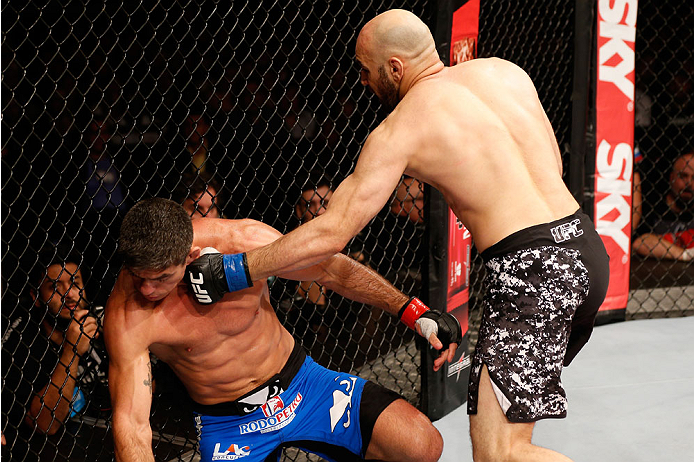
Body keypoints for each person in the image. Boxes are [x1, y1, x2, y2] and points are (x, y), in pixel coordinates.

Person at [218, 9, 611, 461]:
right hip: (583, 246)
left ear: (395, 67)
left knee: (501, 454)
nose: (362, 82)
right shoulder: (504, 72)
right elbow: (552, 170)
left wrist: (239, 267)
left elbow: (331, 231)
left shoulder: (399, 129)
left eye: (365, 70)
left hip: (532, 273)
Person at [104, 197, 460, 462]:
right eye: (140, 278)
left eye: (162, 278)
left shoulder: (244, 241)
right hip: (227, 422)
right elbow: (132, 425)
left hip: (302, 384)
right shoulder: (128, 312)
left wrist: (412, 311)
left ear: (191, 254)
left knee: (422, 444)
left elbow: (330, 270)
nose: (148, 290)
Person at [1, 245, 110, 461]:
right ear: (37, 296)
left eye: (75, 282)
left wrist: (120, 343)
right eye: (55, 287)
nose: (69, 294)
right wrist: (72, 351)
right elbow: (45, 425)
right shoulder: (20, 341)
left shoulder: (102, 319)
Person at [632, 152, 694, 261]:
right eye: (683, 176)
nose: (689, 183)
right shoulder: (651, 207)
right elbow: (639, 243)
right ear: (671, 177)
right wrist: (686, 255)